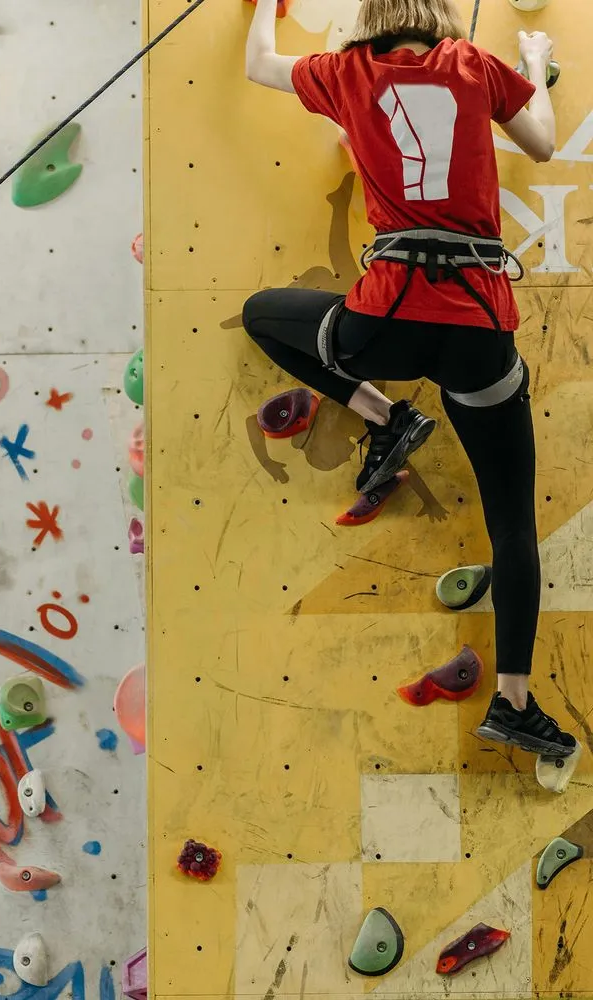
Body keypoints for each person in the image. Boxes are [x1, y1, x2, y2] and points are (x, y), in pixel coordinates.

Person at [243, 0, 575, 756]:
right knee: (511, 523)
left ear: (371, 17)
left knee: (266, 314)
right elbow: (546, 145)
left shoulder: (346, 72)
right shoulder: (474, 67)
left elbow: (259, 64)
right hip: (477, 325)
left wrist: (265, 6)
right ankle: (515, 702)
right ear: (440, 16)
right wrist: (530, 59)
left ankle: (384, 416)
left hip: (384, 318)